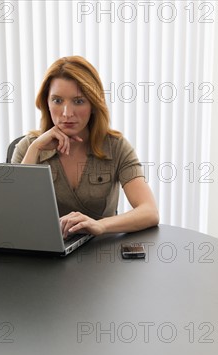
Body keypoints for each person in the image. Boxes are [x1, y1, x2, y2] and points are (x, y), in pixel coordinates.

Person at [12, 56, 159, 237]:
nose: (67, 113)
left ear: (93, 105)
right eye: (57, 101)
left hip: (102, 254)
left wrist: (101, 225)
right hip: (46, 256)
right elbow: (13, 215)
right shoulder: (29, 147)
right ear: (46, 103)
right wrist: (35, 150)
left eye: (78, 101)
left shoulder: (116, 146)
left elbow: (149, 211)